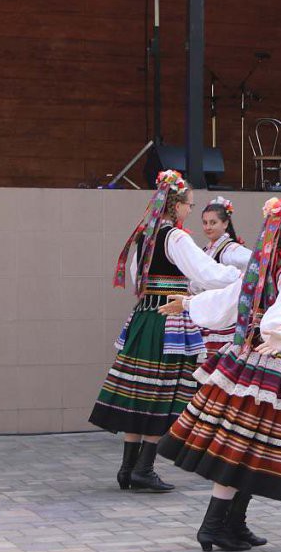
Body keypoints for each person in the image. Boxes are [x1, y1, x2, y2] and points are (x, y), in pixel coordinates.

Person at [157, 198, 281, 551]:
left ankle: (231, 524)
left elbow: (228, 299)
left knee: (246, 445)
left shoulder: (259, 267)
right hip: (269, 363)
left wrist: (189, 303)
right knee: (248, 445)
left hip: (245, 357)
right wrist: (279, 330)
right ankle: (215, 526)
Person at [90, 170, 242, 493]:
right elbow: (205, 271)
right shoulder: (175, 237)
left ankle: (127, 468)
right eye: (189, 204)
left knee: (139, 391)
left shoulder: (145, 235)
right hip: (167, 319)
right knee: (165, 392)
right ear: (177, 205)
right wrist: (241, 278)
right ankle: (144, 468)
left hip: (144, 317)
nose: (190, 210)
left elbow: (136, 278)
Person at [194, 196, 252, 354]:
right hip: (210, 313)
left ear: (225, 224)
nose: (208, 227)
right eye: (205, 222)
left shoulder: (231, 249)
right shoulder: (206, 250)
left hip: (226, 314)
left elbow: (255, 262)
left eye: (213, 222)